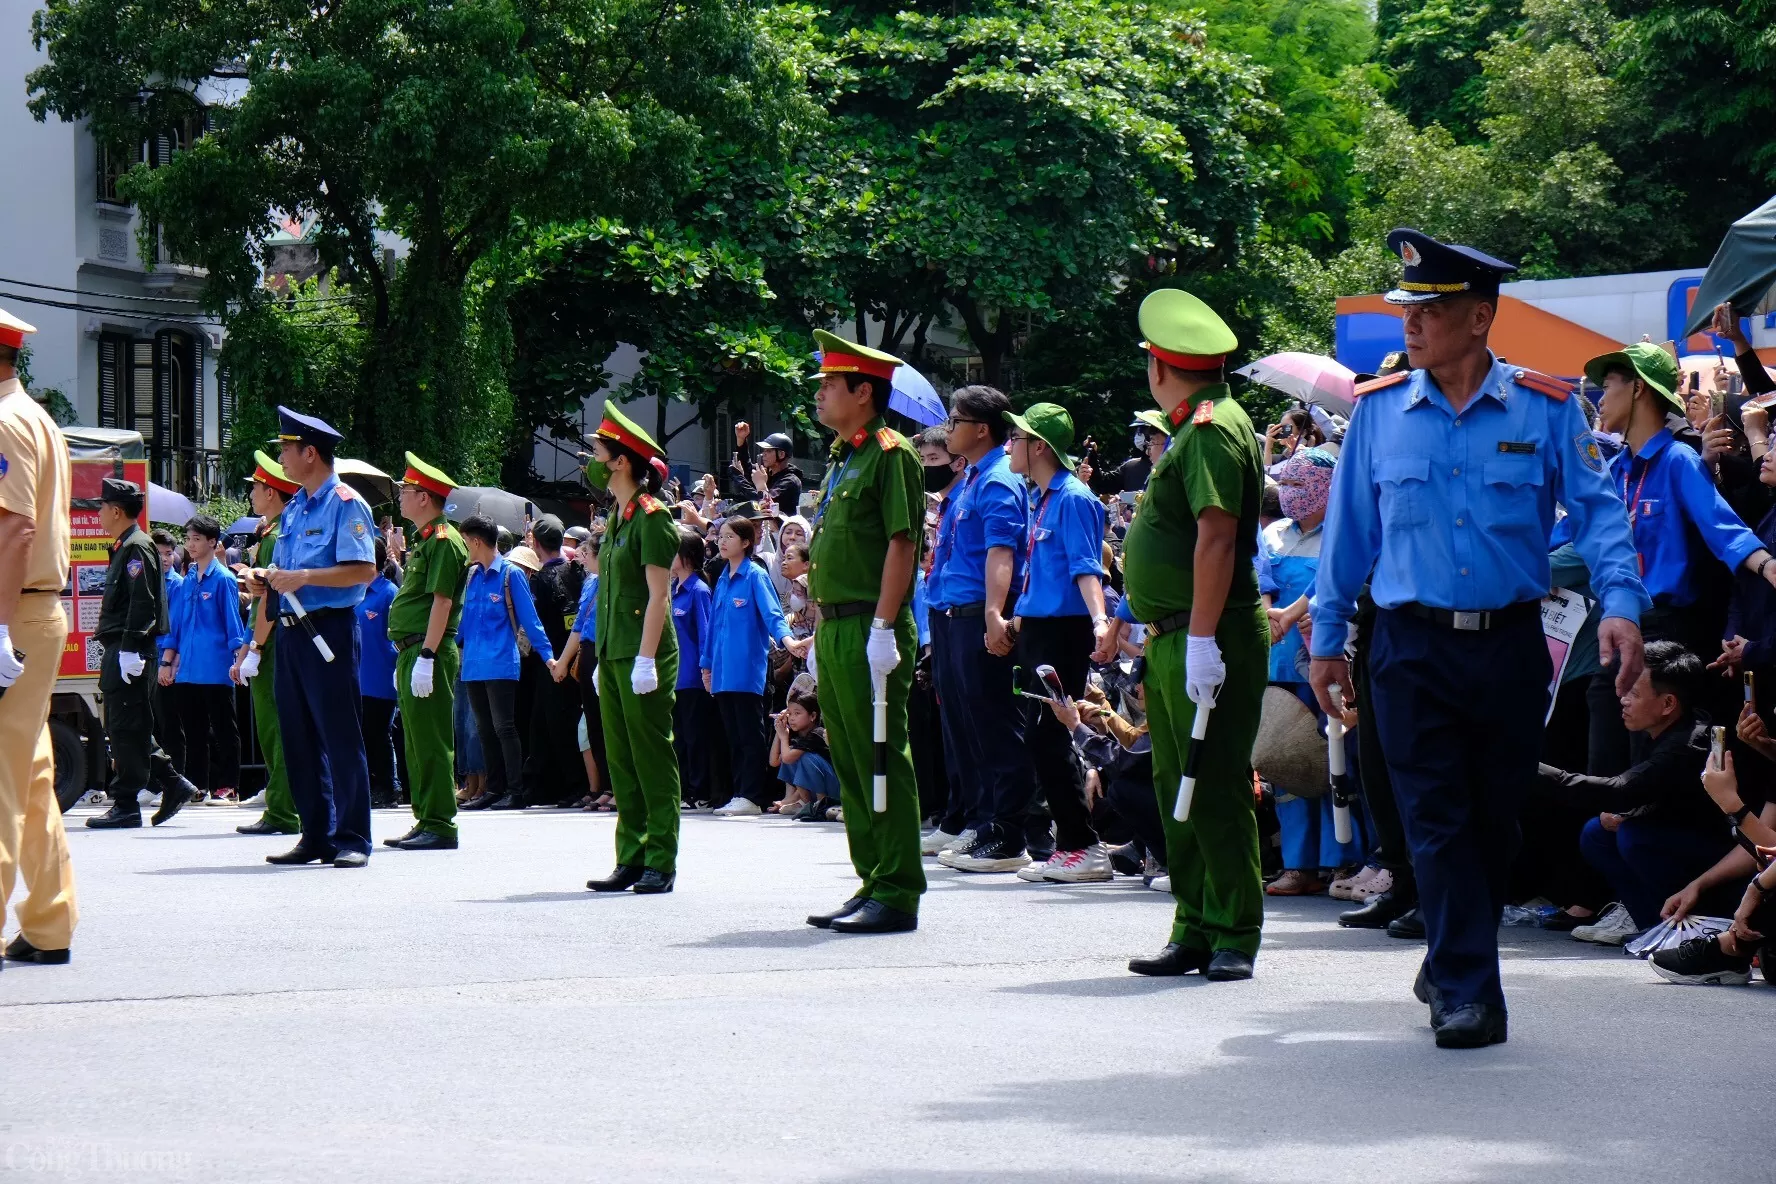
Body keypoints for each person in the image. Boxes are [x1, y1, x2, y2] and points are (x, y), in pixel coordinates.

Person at [1308, 228, 1651, 1049]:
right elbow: (1348, 534)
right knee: (1435, 817)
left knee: (1497, 819)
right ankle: (1469, 988)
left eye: (1431, 309)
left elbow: (1601, 513)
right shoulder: (1381, 413)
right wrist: (1325, 636)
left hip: (1508, 645)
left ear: (1481, 318)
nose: (1411, 325)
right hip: (1408, 648)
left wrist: (1622, 603)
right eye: (1408, 310)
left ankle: (1447, 951)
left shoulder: (1543, 405)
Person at [1118, 288, 1268, 984]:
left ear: (1160, 367)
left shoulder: (1208, 428)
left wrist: (1204, 640)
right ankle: (1195, 925)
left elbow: (1216, 537)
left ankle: (1234, 928)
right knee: (1177, 787)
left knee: (1211, 787)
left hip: (1207, 633)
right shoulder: (1199, 425)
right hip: (1176, 635)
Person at [802, 329, 926, 933]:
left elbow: (903, 543)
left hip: (870, 625)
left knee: (882, 753)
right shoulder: (845, 456)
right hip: (834, 626)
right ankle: (873, 876)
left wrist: (883, 624)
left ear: (862, 392)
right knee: (851, 756)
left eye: (830, 385)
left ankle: (899, 888)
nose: (820, 394)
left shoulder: (890, 452)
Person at [238, 406, 379, 868]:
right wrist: (266, 579)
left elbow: (363, 570)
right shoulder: (296, 506)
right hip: (292, 632)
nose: (281, 456)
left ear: (310, 453)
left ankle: (353, 836)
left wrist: (303, 576)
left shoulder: (345, 503)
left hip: (329, 630)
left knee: (339, 734)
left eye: (285, 448)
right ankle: (314, 833)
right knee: (296, 735)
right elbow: (289, 572)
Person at [1534, 641, 1726, 944]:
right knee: (1596, 832)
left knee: (1633, 836)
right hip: (1673, 830)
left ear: (1667, 704)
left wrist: (1525, 766)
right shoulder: (1653, 727)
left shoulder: (1688, 744)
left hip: (1719, 853)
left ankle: (1687, 927)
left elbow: (1624, 790)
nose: (1622, 699)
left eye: (1634, 693)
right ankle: (1649, 921)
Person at [1002, 402, 1115, 884]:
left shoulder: (1074, 498)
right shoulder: (1041, 497)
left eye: (1019, 437)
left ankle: (1083, 845)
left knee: (1052, 733)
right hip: (1038, 628)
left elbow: (1087, 568)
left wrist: (1100, 622)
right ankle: (1070, 844)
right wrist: (1018, 618)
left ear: (1040, 447)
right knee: (1040, 737)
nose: (1011, 445)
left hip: (1066, 629)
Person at [0, 307, 79, 966]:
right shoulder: (38, 417)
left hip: (13, 612)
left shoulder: (3, 421)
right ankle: (49, 922)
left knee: (3, 776)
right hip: (34, 610)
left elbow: (15, 528)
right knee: (29, 775)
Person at [931, 384, 1037, 874]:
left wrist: (996, 614)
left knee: (996, 724)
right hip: (957, 612)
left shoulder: (998, 479)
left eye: (955, 421)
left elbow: (1003, 552)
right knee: (969, 725)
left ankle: (1007, 832)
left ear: (980, 429)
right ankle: (984, 821)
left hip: (981, 613)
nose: (949, 429)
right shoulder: (974, 477)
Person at [582, 404, 683, 895]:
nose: (593, 462)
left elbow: (659, 594)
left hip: (644, 653)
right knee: (621, 759)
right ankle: (631, 854)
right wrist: (604, 657)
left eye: (598, 452)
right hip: (615, 650)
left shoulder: (651, 517)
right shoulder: (618, 518)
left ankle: (660, 858)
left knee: (651, 757)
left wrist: (646, 658)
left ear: (621, 461)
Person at [85, 478, 199, 829]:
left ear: (116, 510)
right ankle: (172, 783)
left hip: (129, 647)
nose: (100, 513)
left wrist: (131, 648)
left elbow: (142, 602)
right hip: (121, 647)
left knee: (126, 725)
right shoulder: (127, 545)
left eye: (102, 507)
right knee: (127, 726)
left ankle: (126, 803)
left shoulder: (136, 547)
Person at [380, 453, 470, 847]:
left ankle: (440, 823)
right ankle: (426, 816)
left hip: (428, 649)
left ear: (424, 497)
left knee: (431, 739)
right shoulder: (425, 541)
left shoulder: (444, 542)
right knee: (416, 740)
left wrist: (429, 657)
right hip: (413, 650)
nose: (400, 496)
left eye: (406, 490)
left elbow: (442, 603)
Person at [704, 516, 809, 815]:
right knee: (733, 736)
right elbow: (713, 629)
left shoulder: (755, 575)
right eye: (720, 536)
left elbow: (773, 615)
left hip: (749, 671)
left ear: (747, 542)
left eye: (729, 537)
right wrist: (706, 666)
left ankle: (751, 795)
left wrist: (788, 641)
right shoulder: (723, 578)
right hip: (723, 673)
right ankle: (740, 793)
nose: (722, 542)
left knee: (751, 735)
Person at [457, 513, 554, 813]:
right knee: (484, 730)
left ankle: (514, 790)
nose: (466, 549)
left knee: (504, 728)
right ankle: (494, 788)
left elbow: (530, 619)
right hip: (472, 663)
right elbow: (462, 623)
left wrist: (548, 655)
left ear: (476, 541)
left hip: (500, 662)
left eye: (466, 543)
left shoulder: (511, 575)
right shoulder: (471, 576)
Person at [233, 451, 302, 836]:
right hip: (268, 640)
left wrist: (256, 648)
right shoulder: (272, 534)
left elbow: (269, 603)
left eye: (256, 488)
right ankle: (283, 806)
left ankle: (282, 810)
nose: (252, 495)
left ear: (272, 492)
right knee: (272, 729)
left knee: (275, 729)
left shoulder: (275, 537)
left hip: (272, 644)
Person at [161, 514, 248, 806]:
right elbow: (177, 625)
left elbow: (233, 623)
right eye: (188, 539)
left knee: (224, 728)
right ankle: (197, 785)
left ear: (213, 542)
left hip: (216, 666)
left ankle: (229, 786)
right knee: (194, 731)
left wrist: (239, 659)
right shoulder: (187, 581)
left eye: (196, 539)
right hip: (187, 670)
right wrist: (168, 660)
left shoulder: (223, 579)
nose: (190, 544)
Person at [522, 514, 588, 808]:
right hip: (576, 660)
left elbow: (536, 624)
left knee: (551, 726)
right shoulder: (578, 572)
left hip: (551, 663)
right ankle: (571, 784)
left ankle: (567, 786)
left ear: (535, 543)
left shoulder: (542, 580)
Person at [553, 526, 610, 810]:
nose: (582, 558)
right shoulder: (590, 583)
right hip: (587, 652)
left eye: (587, 553)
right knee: (594, 723)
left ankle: (615, 787)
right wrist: (563, 661)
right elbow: (577, 627)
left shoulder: (615, 581)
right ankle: (604, 786)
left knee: (610, 721)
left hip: (607, 652)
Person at [667, 526, 716, 809]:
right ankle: (683, 789)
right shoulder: (673, 590)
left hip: (693, 678)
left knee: (695, 737)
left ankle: (699, 791)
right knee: (679, 739)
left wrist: (705, 670)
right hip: (673, 676)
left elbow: (705, 634)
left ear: (687, 556)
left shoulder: (698, 590)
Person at [356, 537, 400, 809]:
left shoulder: (389, 592)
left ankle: (389, 786)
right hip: (356, 677)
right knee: (362, 736)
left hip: (381, 676)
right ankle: (371, 786)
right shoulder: (353, 591)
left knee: (379, 734)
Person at [772, 688, 839, 821]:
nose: (791, 718)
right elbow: (774, 761)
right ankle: (804, 803)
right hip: (817, 788)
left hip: (834, 789)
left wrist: (784, 737)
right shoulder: (799, 737)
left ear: (813, 716)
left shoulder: (817, 733)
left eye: (797, 713)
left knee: (803, 757)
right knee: (790, 751)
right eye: (789, 714)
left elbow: (787, 758)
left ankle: (820, 804)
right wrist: (778, 731)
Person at [734, 430, 805, 517]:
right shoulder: (769, 473)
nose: (764, 454)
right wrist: (741, 440)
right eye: (764, 450)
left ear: (781, 454)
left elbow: (763, 503)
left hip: (780, 528)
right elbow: (747, 467)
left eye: (769, 451)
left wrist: (739, 478)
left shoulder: (790, 481)